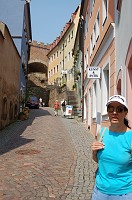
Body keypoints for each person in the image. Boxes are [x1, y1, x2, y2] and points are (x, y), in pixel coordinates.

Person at [91, 95, 132, 200]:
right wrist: (94, 152)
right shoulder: (102, 132)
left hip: (124, 194)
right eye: (111, 108)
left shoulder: (130, 137)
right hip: (100, 192)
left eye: (119, 109)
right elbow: (98, 160)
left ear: (125, 112)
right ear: (108, 112)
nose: (114, 112)